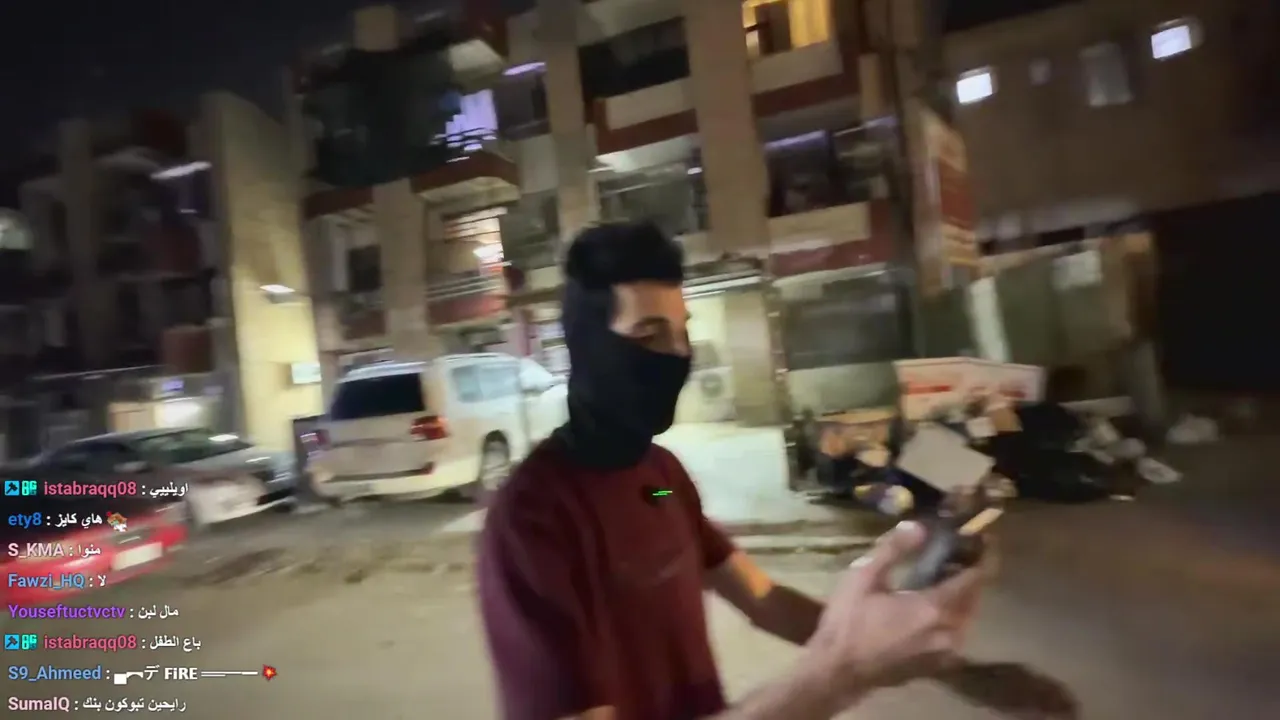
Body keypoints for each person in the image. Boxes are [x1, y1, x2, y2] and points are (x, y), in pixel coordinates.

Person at [476, 221, 988, 720]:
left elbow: (763, 598)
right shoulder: (530, 521)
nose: (678, 356)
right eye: (650, 334)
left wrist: (892, 641)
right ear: (589, 348)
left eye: (682, 333)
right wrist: (839, 673)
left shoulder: (661, 479)